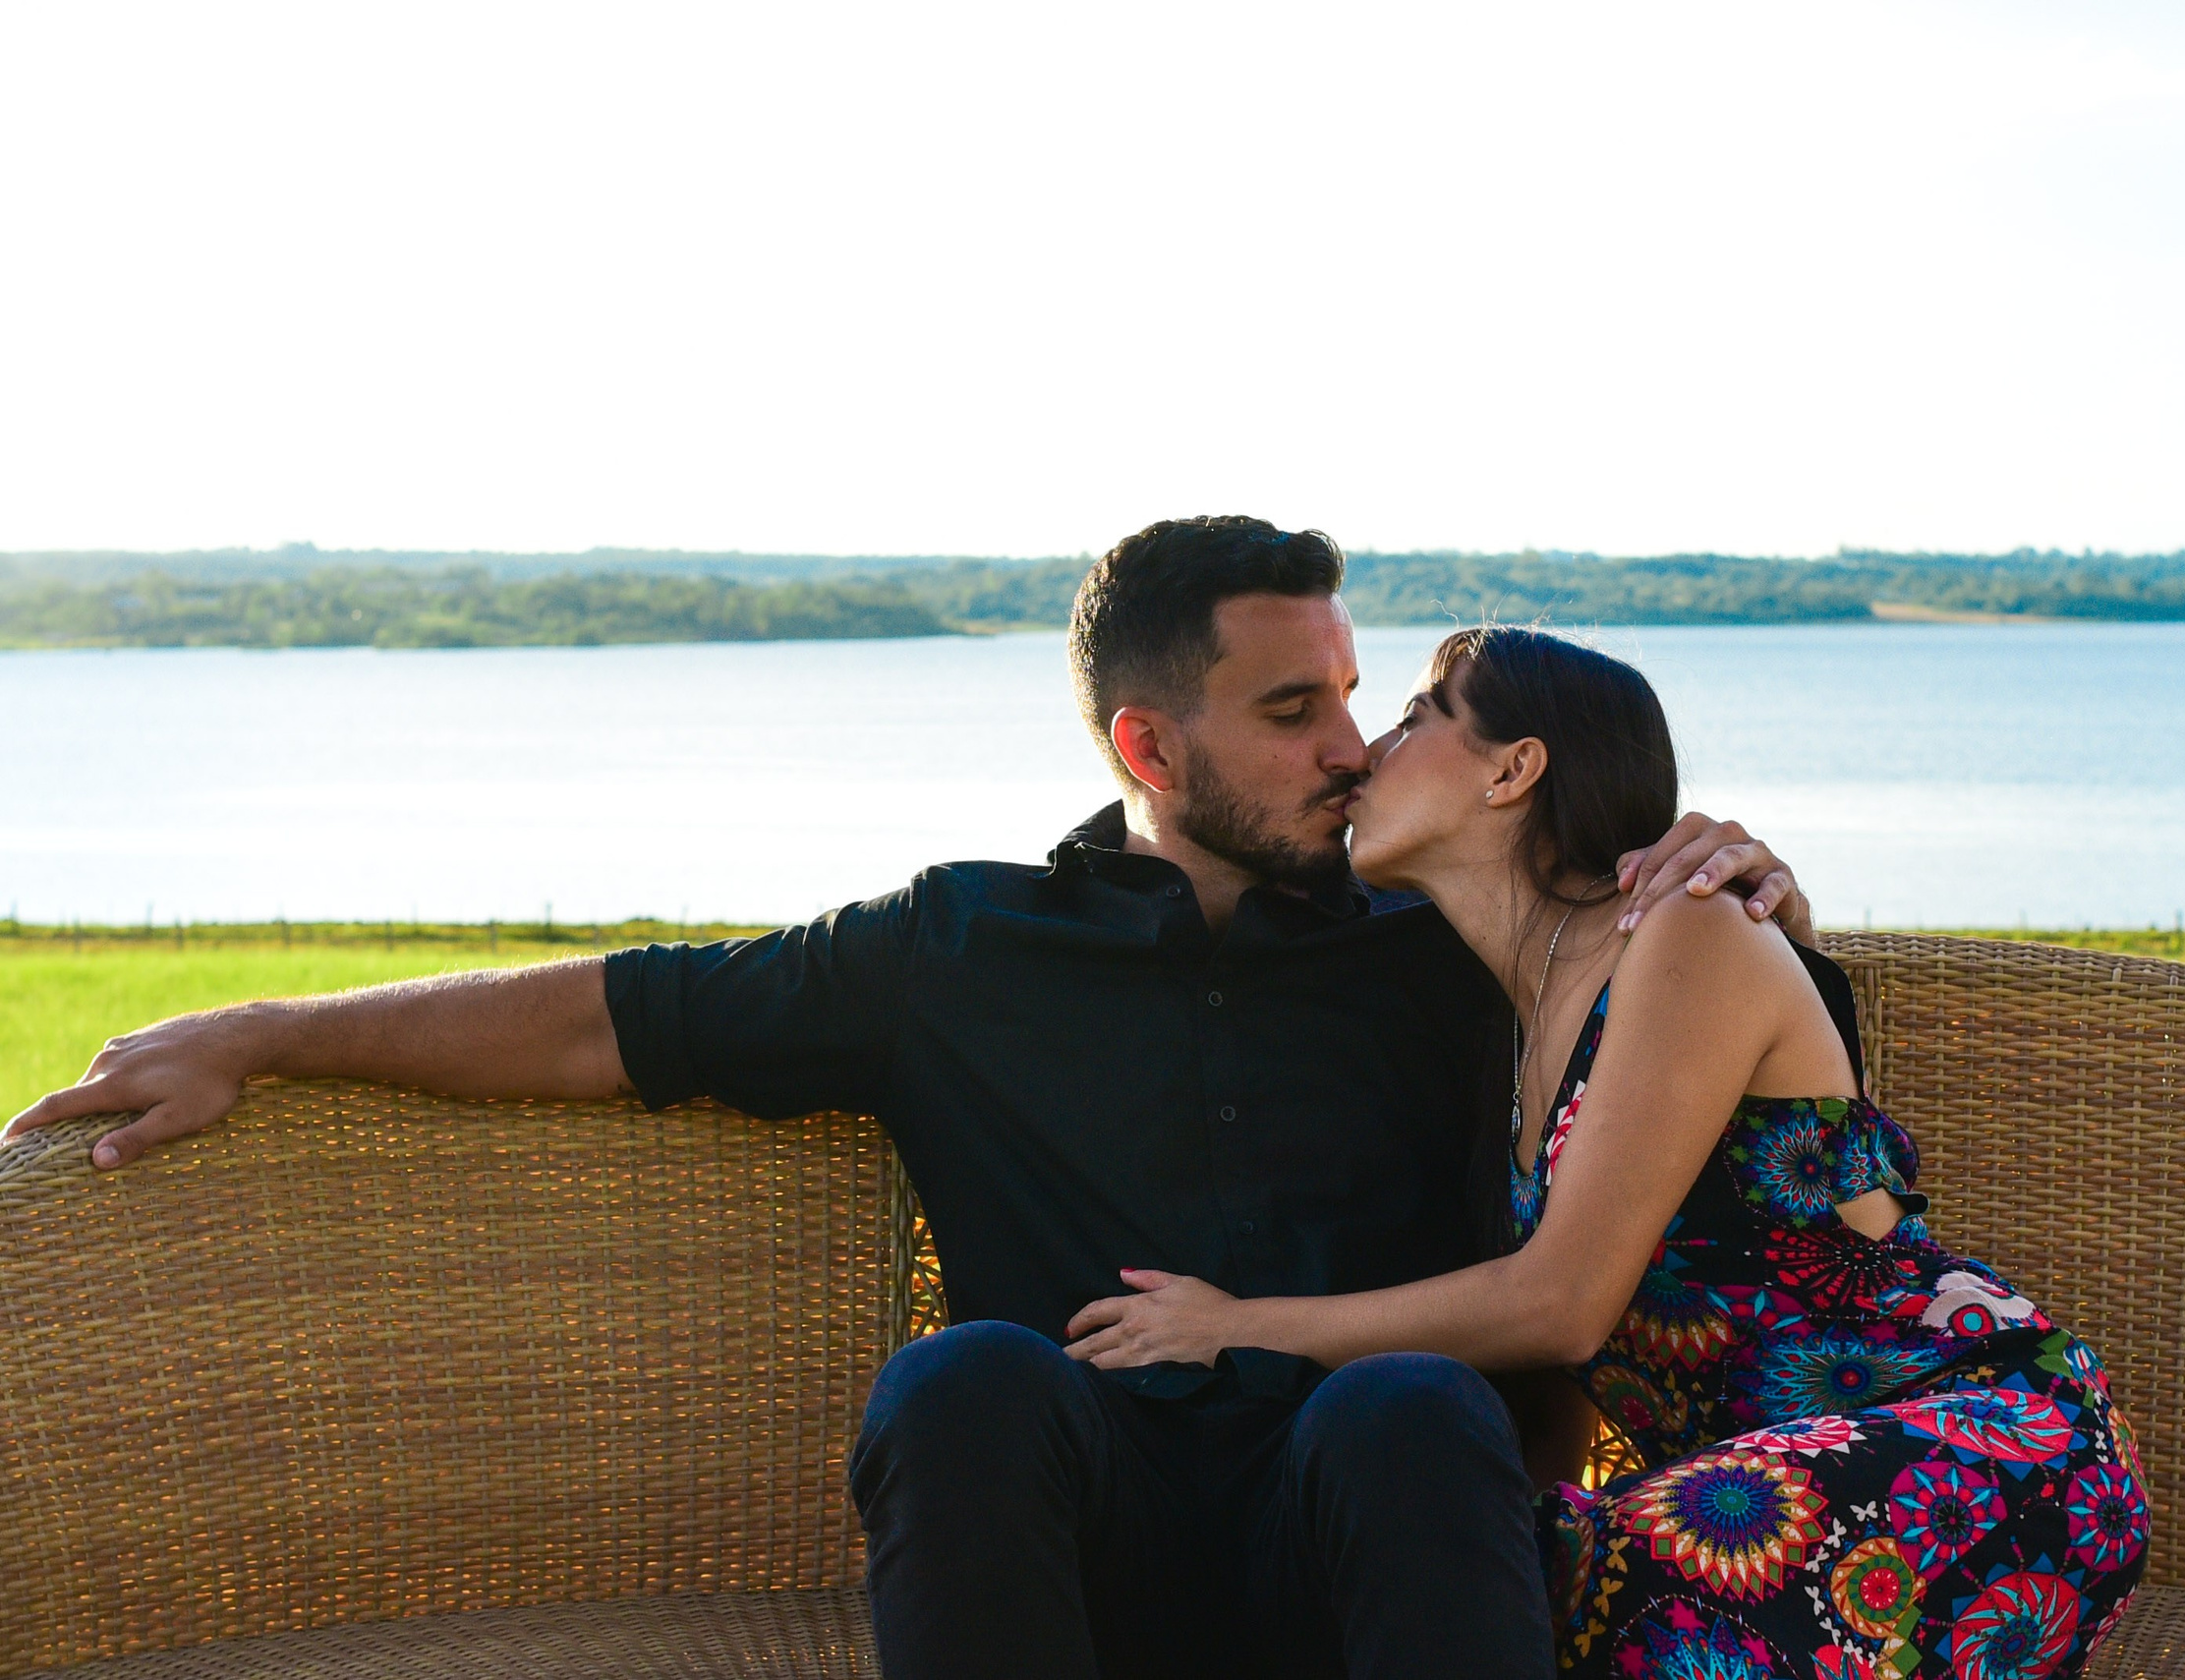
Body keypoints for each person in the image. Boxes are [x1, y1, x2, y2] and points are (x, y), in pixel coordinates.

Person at [5, 518, 1820, 1680]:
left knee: (1419, 1400)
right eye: (1294, 707)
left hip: (1369, 1538)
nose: (1350, 745)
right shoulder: (956, 944)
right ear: (1146, 744)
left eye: (1357, 693)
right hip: (1077, 1550)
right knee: (964, 1372)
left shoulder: (1439, 937)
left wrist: (1744, 873)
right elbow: (611, 1018)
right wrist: (265, 1028)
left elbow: (1642, 971)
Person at [1062, 626, 2151, 1680]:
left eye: (1413, 716)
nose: (1365, 752)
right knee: (1489, 1578)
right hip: (1741, 1488)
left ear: (1513, 770)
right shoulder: (1509, 1022)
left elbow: (1562, 1302)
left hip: (1976, 1436)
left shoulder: (1684, 925)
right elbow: (1562, 1382)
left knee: (1653, 1578)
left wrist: (1230, 1327)